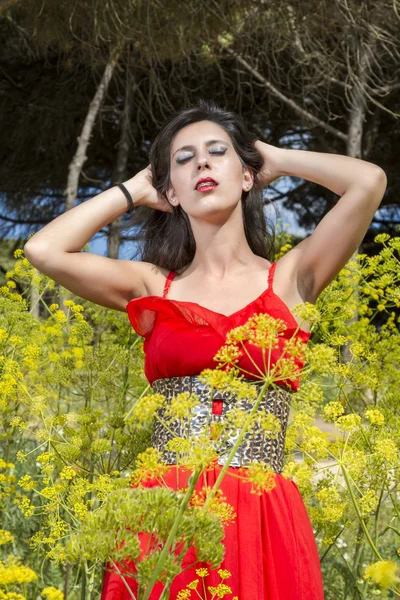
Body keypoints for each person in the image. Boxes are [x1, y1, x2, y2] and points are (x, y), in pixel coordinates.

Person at [24, 100, 387, 599]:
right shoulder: (152, 285)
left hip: (262, 514)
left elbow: (368, 182)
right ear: (170, 190)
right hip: (163, 509)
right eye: (184, 158)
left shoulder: (291, 278)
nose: (202, 163)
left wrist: (272, 158)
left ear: (245, 177)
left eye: (218, 152)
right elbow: (43, 250)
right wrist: (133, 190)